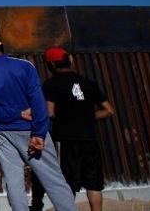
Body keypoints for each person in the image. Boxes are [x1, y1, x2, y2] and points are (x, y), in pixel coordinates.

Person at [0, 34, 76, 211]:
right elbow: (38, 102)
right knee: (53, 179)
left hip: (3, 132)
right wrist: (39, 133)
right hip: (31, 129)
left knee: (14, 182)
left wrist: (15, 114)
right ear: (2, 47)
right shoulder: (24, 66)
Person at [29, 47, 114, 211]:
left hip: (66, 139)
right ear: (71, 61)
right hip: (90, 138)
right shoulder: (88, 83)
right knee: (94, 183)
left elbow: (50, 112)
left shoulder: (51, 85)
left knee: (66, 182)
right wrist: (88, 116)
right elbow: (109, 110)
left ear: (51, 64)